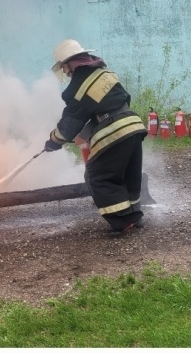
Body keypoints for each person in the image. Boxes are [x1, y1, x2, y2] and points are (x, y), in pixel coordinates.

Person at [44, 39, 148, 235]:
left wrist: (53, 141)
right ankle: (135, 214)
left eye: (64, 67)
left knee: (97, 175)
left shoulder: (77, 86)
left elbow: (71, 122)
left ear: (71, 63)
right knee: (127, 173)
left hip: (115, 131)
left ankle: (122, 220)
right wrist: (90, 130)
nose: (65, 72)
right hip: (133, 125)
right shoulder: (105, 73)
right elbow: (113, 102)